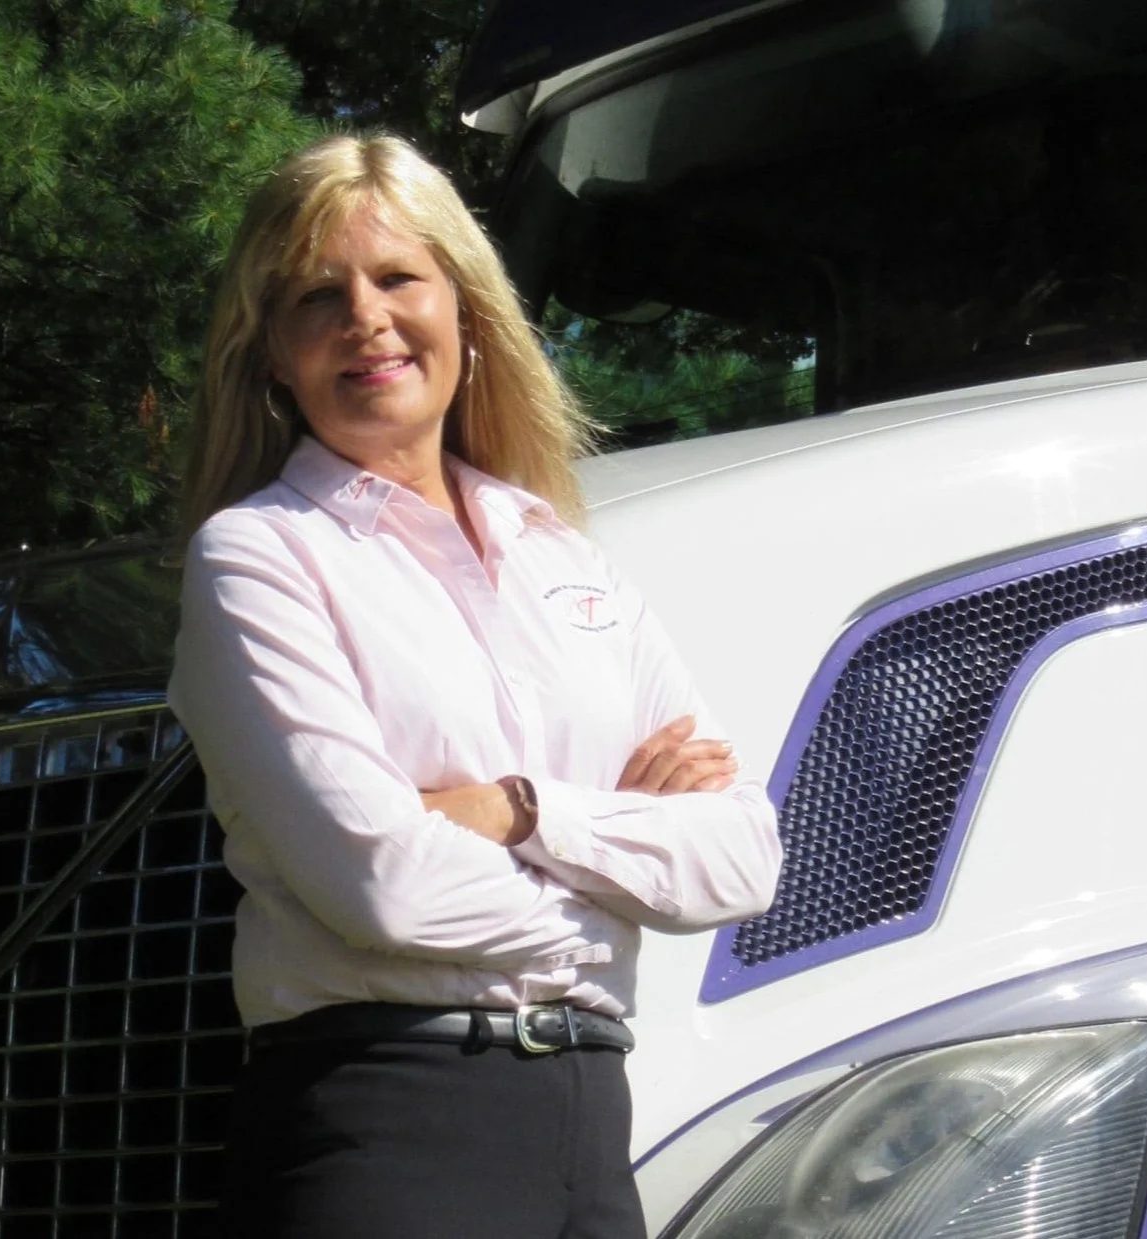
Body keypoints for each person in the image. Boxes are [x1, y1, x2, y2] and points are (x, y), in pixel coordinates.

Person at [167, 133, 784, 1239]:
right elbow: (382, 886)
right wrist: (622, 893)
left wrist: (522, 811)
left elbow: (742, 858)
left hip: (591, 1131)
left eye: (398, 277)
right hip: (390, 1130)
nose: (365, 317)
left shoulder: (570, 562)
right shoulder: (258, 558)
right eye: (317, 294)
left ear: (465, 311)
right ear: (270, 351)